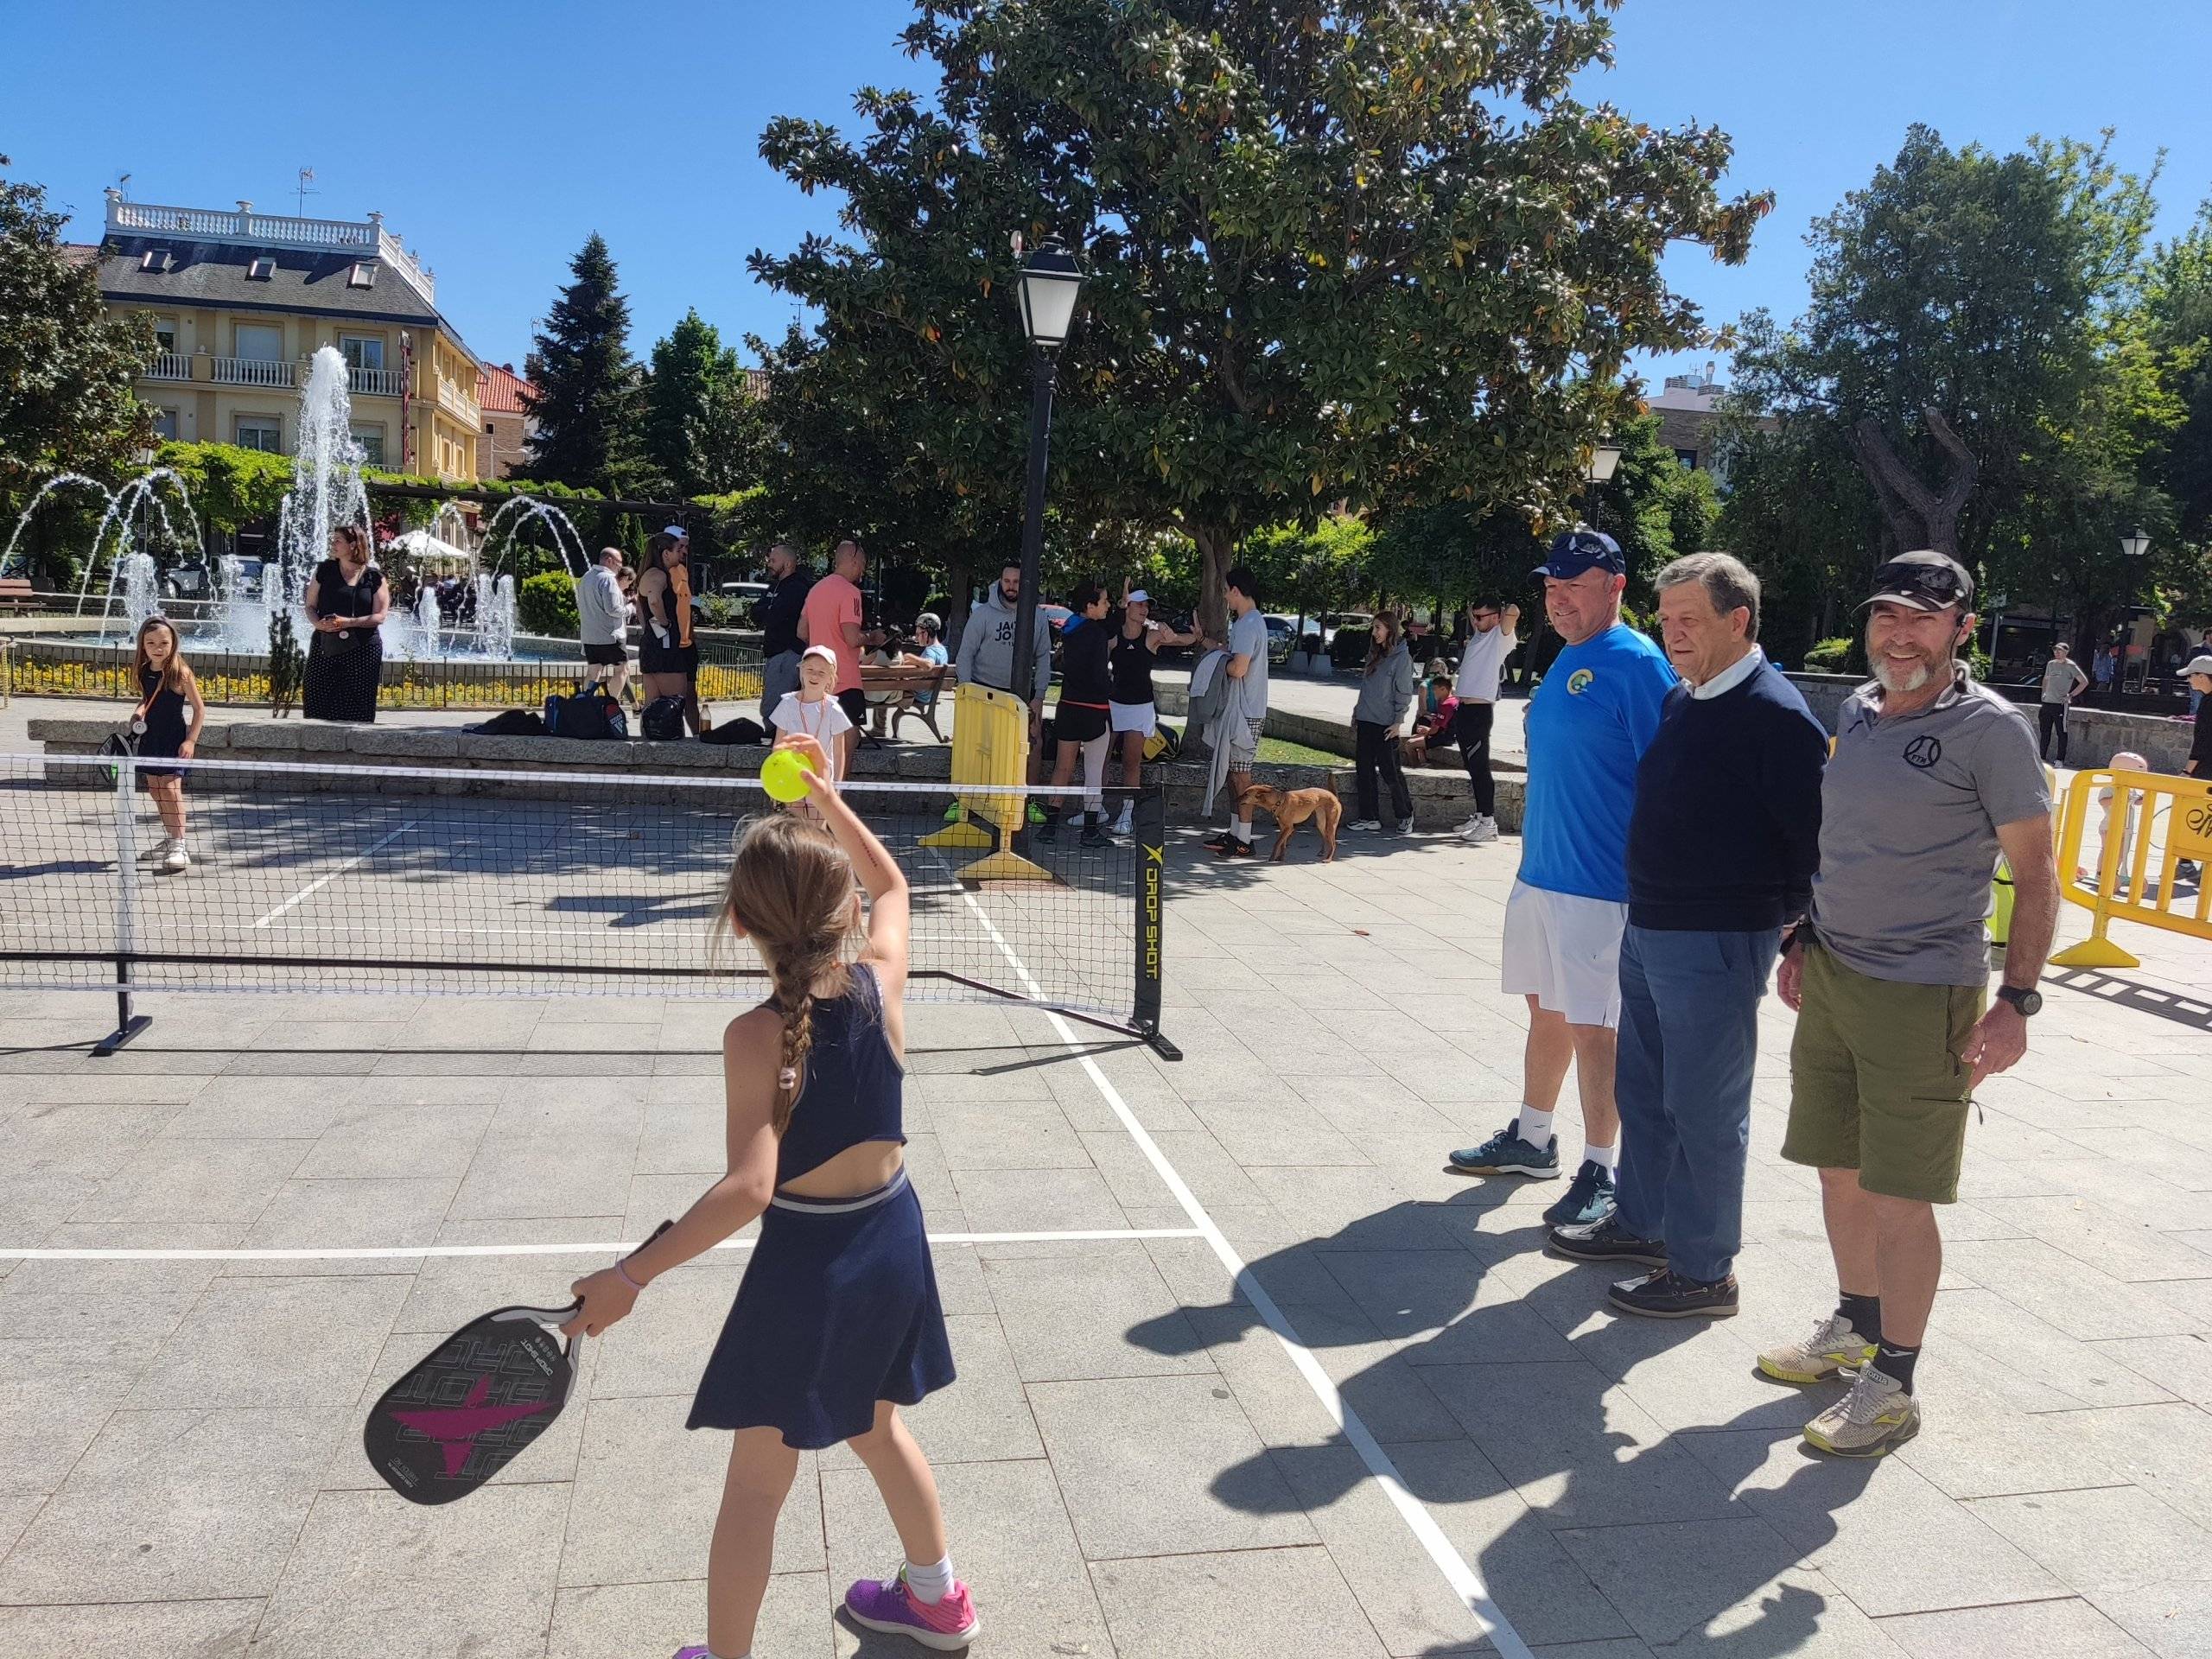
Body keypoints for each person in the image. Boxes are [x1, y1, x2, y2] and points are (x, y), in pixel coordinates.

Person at [563, 734, 974, 1659]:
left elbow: (751, 1188)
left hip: (811, 1265)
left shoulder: (754, 1035)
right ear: (846, 913)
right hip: (892, 1239)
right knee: (875, 1424)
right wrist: (827, 800)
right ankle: (936, 1598)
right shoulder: (881, 982)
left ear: (741, 925)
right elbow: (898, 889)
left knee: (756, 1483)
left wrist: (632, 1276)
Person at [1758, 550, 2056, 1459]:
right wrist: (1804, 934)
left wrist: (2017, 1001)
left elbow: (2038, 878)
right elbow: (1842, 842)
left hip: (1923, 988)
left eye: (1923, 619)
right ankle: (1854, 1324)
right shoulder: (1858, 709)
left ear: (1962, 628)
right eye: (1887, 615)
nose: (1900, 633)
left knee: (1899, 1193)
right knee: (1836, 1169)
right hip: (1837, 973)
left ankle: (1893, 1382)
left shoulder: (1991, 732)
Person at [1546, 554, 1827, 1319]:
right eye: (1666, 620)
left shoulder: (1778, 716)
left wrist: (1801, 937)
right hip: (1652, 925)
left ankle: (1705, 1272)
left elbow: (1810, 845)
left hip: (1717, 937)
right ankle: (1644, 1225)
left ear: (1739, 622)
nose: (1671, 634)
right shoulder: (1685, 698)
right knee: (1644, 1087)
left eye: (1688, 620)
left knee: (1704, 1106)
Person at [1446, 530, 1675, 1227]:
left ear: (1616, 588)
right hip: (1544, 876)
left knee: (1596, 1029)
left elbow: (1669, 779)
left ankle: (1604, 1169)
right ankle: (1532, 1137)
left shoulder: (1636, 663)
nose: (1559, 599)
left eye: (1575, 585)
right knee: (1546, 1011)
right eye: (1552, 587)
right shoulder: (1572, 659)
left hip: (1603, 890)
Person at [1108, 586, 1199, 836]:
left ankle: (1127, 815)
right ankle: (1093, 808)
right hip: (1113, 704)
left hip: (1140, 706)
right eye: (1139, 604)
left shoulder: (1152, 635)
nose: (1144, 609)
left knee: (1131, 762)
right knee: (1101, 758)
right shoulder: (1114, 635)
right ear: (1127, 606)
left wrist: (1196, 636)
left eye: (1146, 605)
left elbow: (1182, 639)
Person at [1039, 579, 1116, 847]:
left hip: (1068, 707)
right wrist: (1111, 686)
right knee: (1093, 770)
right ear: (1090, 605)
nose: (1108, 606)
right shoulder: (1096, 634)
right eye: (1105, 601)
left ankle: (1050, 826)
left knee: (1063, 766)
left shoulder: (1069, 630)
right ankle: (1091, 830)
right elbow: (1097, 675)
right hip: (1094, 709)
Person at [130, 614, 206, 875]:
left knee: (171, 789)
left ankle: (179, 846)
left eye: (164, 642)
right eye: (151, 643)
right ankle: (170, 838)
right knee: (155, 788)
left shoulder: (180, 672)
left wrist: (190, 740)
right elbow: (147, 699)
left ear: (173, 642)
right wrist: (139, 712)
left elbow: (199, 709)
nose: (158, 648)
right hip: (151, 737)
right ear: (143, 645)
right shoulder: (143, 670)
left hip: (174, 738)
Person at [1206, 565, 1273, 858]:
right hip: (1247, 710)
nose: (1225, 597)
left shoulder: (1247, 624)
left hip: (1245, 712)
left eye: (1226, 591)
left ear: (1235, 590)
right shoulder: (1252, 622)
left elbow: (1238, 668)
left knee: (1242, 777)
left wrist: (1220, 663)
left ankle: (1244, 838)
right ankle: (1235, 832)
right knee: (1235, 775)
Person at [954, 559, 1053, 744]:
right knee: (982, 748)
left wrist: (1039, 696)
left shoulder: (1038, 617)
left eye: (1016, 582)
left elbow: (1042, 657)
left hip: (1021, 694)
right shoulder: (982, 615)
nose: (1011, 586)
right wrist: (966, 690)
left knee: (1026, 749)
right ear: (1000, 581)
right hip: (983, 690)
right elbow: (966, 654)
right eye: (1007, 581)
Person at [303, 524, 388, 723]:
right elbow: (310, 606)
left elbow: (380, 616)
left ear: (353, 545)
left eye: (338, 540)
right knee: (317, 699)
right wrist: (318, 624)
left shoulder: (373, 577)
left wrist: (348, 622)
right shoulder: (325, 570)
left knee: (357, 706)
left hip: (363, 648)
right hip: (325, 645)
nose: (333, 544)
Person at [1452, 598, 1521, 844]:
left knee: (1480, 767)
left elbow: (1513, 612)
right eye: (1474, 616)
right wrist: (1477, 617)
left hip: (1480, 712)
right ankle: (1480, 815)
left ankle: (1489, 824)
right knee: (1471, 766)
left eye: (1480, 617)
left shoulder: (1499, 638)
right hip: (1464, 709)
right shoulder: (1478, 637)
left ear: (1494, 617)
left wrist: (1503, 612)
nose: (1475, 620)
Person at [800, 538, 868, 775]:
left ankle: (811, 797)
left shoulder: (816, 589)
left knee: (818, 741)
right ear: (853, 560)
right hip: (845, 678)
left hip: (817, 679)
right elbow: (852, 638)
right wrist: (873, 637)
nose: (863, 570)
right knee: (847, 741)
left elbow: (801, 631)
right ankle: (836, 798)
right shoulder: (851, 593)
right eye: (862, 563)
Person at [1348, 610, 1417, 833]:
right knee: (1364, 770)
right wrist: (1357, 711)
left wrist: (1399, 721)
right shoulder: (1374, 653)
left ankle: (1405, 814)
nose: (1374, 632)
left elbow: (1404, 692)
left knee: (1391, 771)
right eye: (1374, 627)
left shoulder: (1402, 659)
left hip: (1387, 725)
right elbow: (1366, 686)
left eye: (1379, 627)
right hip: (1366, 719)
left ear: (1390, 629)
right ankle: (1369, 816)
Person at [637, 531, 701, 734]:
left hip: (651, 644)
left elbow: (641, 608)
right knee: (675, 704)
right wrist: (664, 623)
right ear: (666, 553)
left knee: (651, 703)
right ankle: (676, 746)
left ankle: (647, 741)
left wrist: (649, 628)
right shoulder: (659, 575)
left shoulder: (645, 575)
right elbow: (654, 600)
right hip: (665, 647)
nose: (682, 553)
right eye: (677, 550)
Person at [770, 645, 856, 787]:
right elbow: (779, 746)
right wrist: (776, 778)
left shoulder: (834, 709)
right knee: (794, 809)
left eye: (821, 672)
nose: (814, 676)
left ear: (830, 678)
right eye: (810, 670)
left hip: (822, 779)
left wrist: (837, 787)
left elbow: (839, 753)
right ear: (801, 671)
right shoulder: (786, 704)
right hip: (793, 774)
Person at [757, 541, 814, 732]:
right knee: (772, 704)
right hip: (773, 651)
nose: (769, 564)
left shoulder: (798, 588)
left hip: (788, 652)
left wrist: (769, 610)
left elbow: (775, 616)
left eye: (773, 560)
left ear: (788, 563)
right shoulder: (774, 586)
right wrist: (768, 610)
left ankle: (777, 741)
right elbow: (756, 613)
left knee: (773, 706)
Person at [578, 547, 632, 706]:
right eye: (619, 563)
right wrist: (630, 609)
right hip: (610, 635)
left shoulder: (586, 577)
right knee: (622, 670)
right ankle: (610, 706)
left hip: (589, 636)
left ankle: (586, 705)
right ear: (609, 561)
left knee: (593, 671)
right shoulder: (608, 579)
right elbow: (613, 609)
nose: (620, 568)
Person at [1400, 660, 1459, 767]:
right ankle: (1421, 763)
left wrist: (1427, 731)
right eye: (1432, 674)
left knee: (1409, 744)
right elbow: (1424, 712)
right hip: (1439, 729)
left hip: (1444, 735)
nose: (1434, 691)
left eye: (1437, 674)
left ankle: (1417, 767)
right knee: (1422, 723)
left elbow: (1437, 728)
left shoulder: (1447, 704)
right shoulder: (1451, 699)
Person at [2037, 641, 2088, 764]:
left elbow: (2084, 682)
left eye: (2060, 651)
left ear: (2066, 652)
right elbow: (2046, 678)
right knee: (2045, 731)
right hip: (2047, 702)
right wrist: (2043, 693)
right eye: (2055, 650)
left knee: (2061, 731)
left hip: (2060, 704)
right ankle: (2042, 756)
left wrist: (2071, 695)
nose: (2057, 653)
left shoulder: (2071, 666)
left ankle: (2060, 759)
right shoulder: (2051, 664)